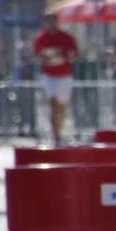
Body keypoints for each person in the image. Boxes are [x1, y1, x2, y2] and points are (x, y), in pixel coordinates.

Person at [33, 12, 79, 144]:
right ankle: (55, 136)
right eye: (48, 21)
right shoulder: (41, 37)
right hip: (49, 75)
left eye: (53, 21)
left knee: (61, 107)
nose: (51, 24)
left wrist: (66, 57)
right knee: (53, 104)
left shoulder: (66, 37)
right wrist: (44, 58)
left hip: (64, 75)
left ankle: (60, 130)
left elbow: (75, 53)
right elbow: (36, 54)